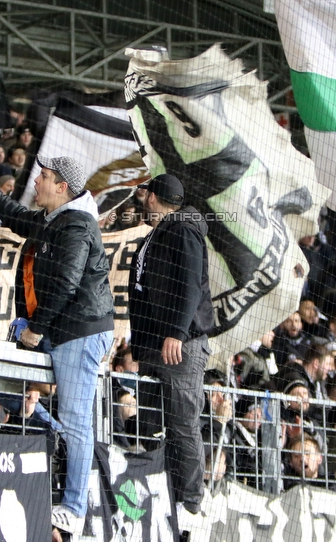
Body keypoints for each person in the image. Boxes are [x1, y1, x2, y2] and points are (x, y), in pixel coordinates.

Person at [0, 155, 113, 537]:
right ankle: (36, 422)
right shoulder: (54, 220)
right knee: (14, 376)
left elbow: (65, 283)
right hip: (61, 329)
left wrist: (35, 331)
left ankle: (74, 509)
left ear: (62, 187)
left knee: (78, 421)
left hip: (78, 330)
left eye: (43, 177)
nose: (36, 183)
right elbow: (15, 216)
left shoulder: (76, 225)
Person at [127, 173, 214, 518]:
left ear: (152, 197)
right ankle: (157, 496)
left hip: (179, 346)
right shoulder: (159, 233)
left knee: (181, 423)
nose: (141, 199)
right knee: (152, 424)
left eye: (144, 194)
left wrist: (176, 332)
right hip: (156, 347)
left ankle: (191, 504)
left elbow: (191, 284)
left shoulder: (183, 228)